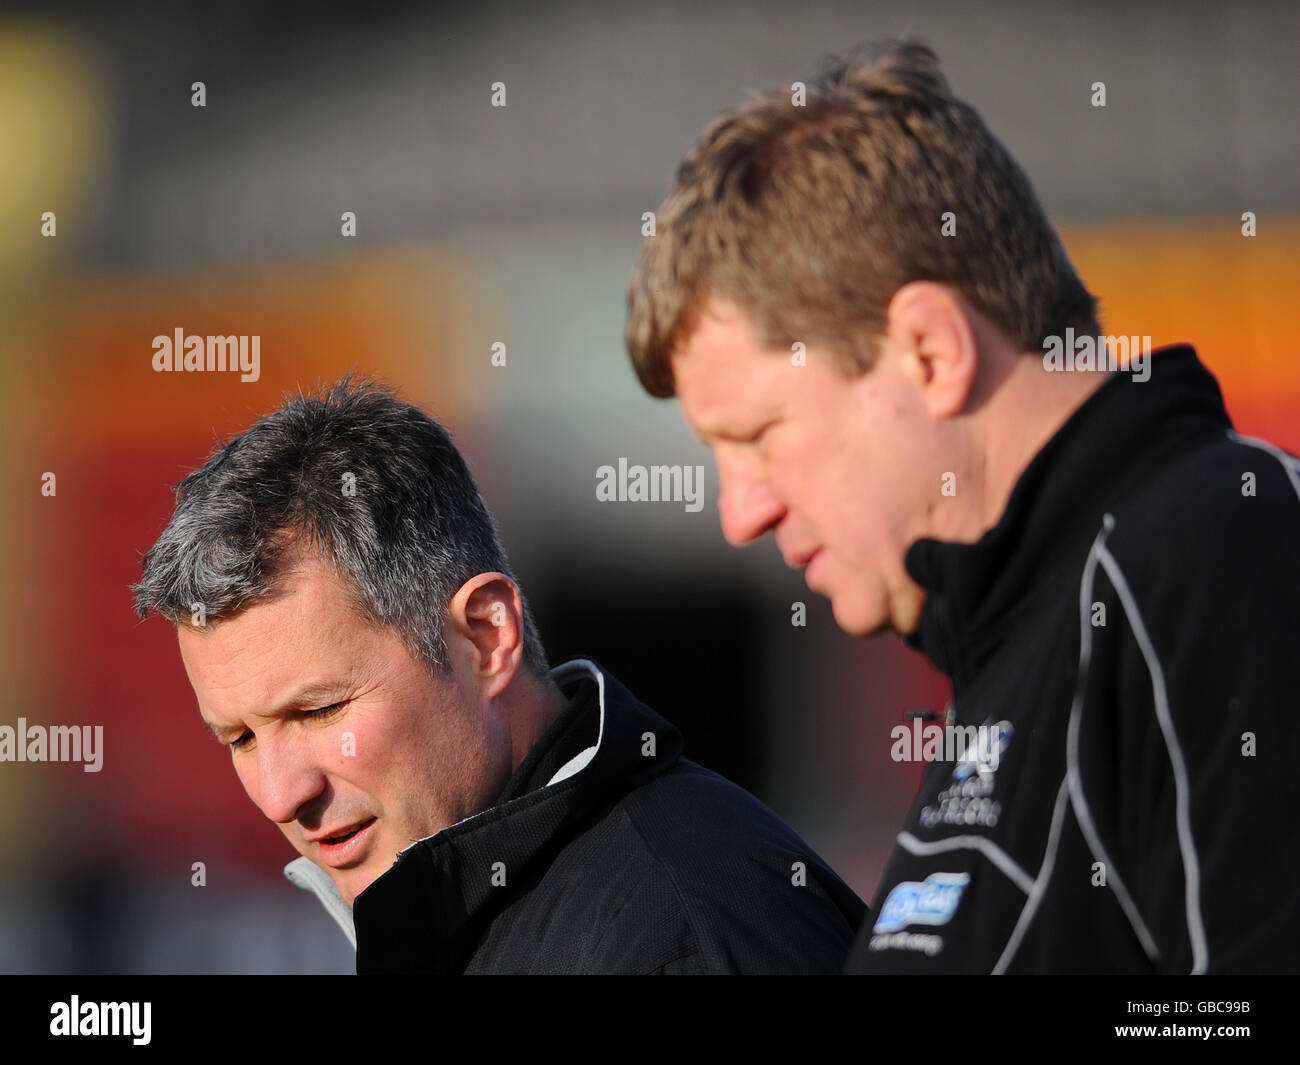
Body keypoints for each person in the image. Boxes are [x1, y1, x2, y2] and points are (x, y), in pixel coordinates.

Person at [623, 39, 1300, 972]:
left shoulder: (1221, 545)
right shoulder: (1026, 635)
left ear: (931, 353)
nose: (740, 513)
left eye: (761, 435)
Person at [130, 376, 865, 974]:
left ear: (486, 636)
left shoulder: (687, 934)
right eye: (239, 737)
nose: (282, 792)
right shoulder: (461, 910)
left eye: (319, 710)